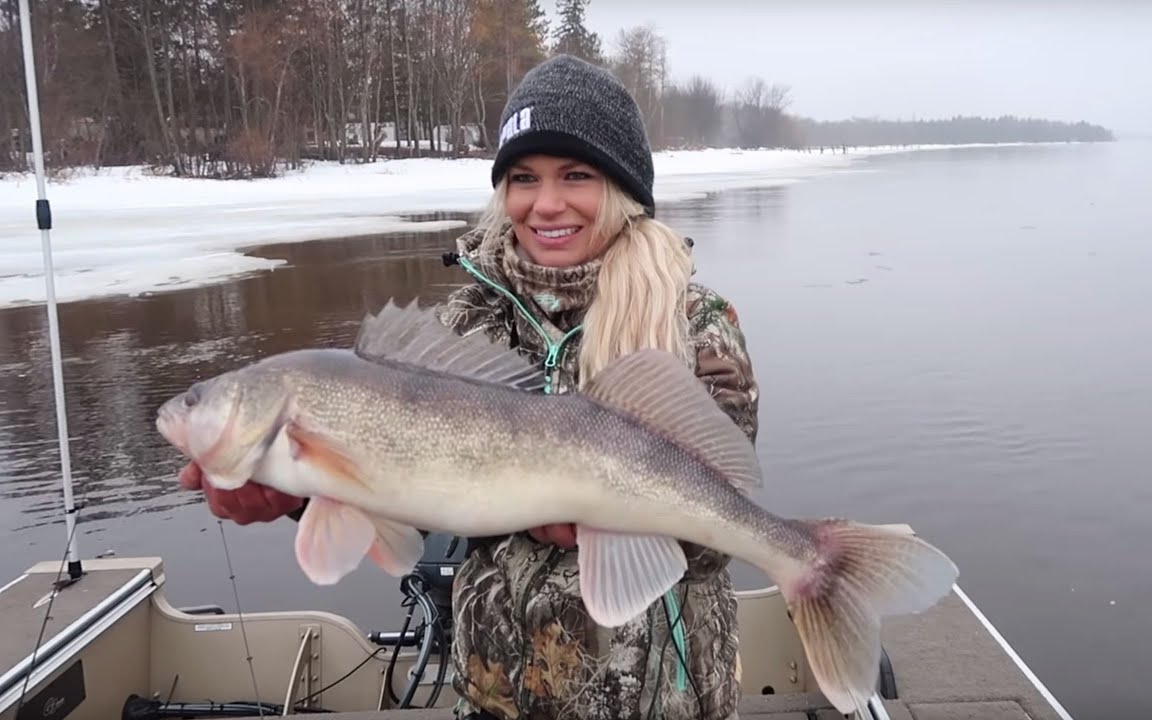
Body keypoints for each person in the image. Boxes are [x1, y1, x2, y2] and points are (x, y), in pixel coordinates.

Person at [178, 54, 760, 720]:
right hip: (497, 697)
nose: (546, 203)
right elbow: (425, 495)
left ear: (623, 186)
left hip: (663, 699)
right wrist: (299, 494)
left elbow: (723, 507)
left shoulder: (695, 323)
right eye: (522, 178)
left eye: (576, 174)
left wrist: (598, 504)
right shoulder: (463, 328)